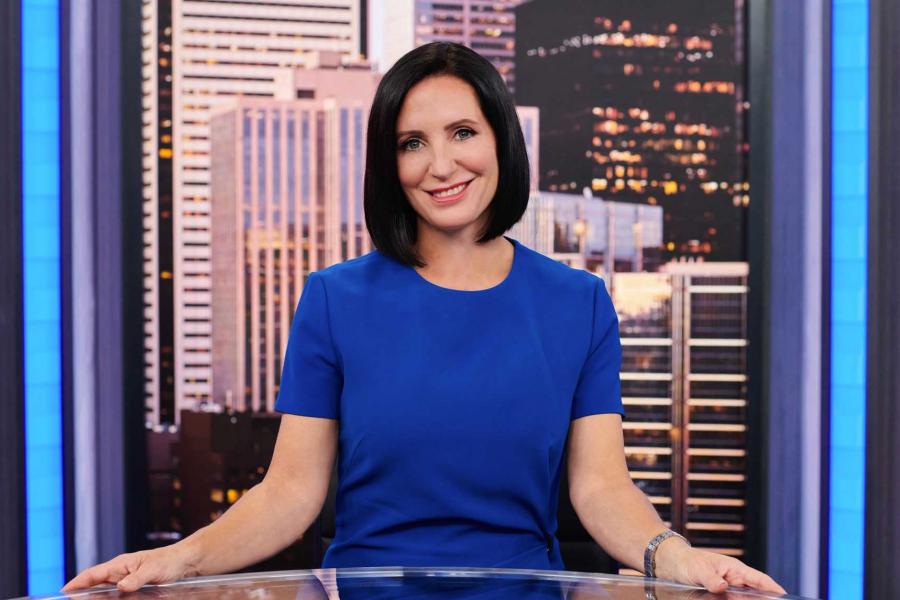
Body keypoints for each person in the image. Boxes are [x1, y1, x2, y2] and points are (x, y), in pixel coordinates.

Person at [63, 42, 785, 596]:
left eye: (462, 132)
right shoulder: (333, 299)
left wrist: (678, 557)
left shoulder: (580, 303)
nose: (440, 165)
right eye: (412, 143)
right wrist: (178, 559)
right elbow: (290, 492)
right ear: (389, 162)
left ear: (501, 139)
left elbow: (599, 488)